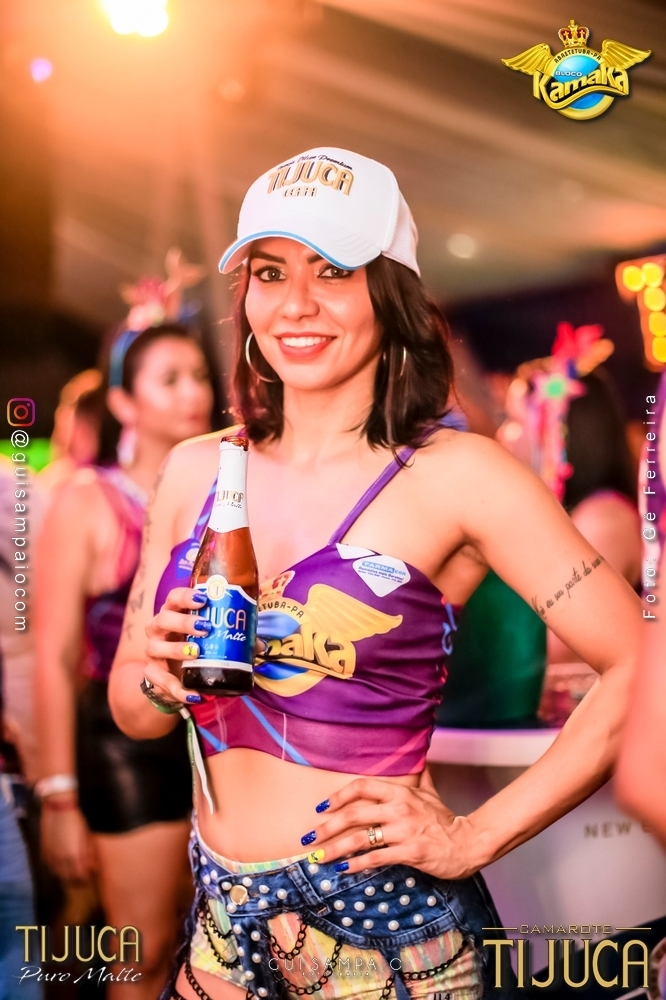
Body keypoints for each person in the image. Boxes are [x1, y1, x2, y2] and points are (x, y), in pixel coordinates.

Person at [108, 147, 641, 1000]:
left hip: (385, 927)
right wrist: (158, 678)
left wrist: (474, 836)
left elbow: (642, 667)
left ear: (390, 292)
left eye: (334, 270)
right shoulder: (196, 469)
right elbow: (131, 711)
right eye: (270, 272)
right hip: (219, 923)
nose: (297, 303)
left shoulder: (458, 475)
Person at [34, 257, 214, 999]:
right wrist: (59, 798)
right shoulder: (89, 501)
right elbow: (53, 656)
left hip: (219, 737)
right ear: (122, 402)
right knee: (142, 953)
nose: (194, 392)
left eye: (199, 375)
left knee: (211, 956)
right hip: (123, 747)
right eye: (169, 379)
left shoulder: (224, 491)